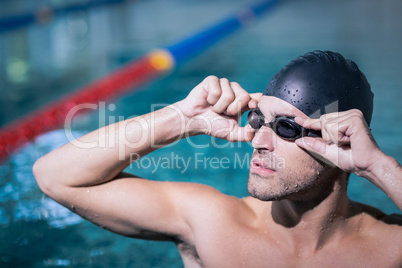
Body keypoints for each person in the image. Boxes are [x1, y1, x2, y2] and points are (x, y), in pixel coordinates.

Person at [33, 51, 402, 267]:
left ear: (344, 146)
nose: (258, 139)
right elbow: (54, 176)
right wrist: (183, 118)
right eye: (258, 120)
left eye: (286, 128)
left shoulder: (389, 249)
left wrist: (379, 167)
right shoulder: (214, 224)